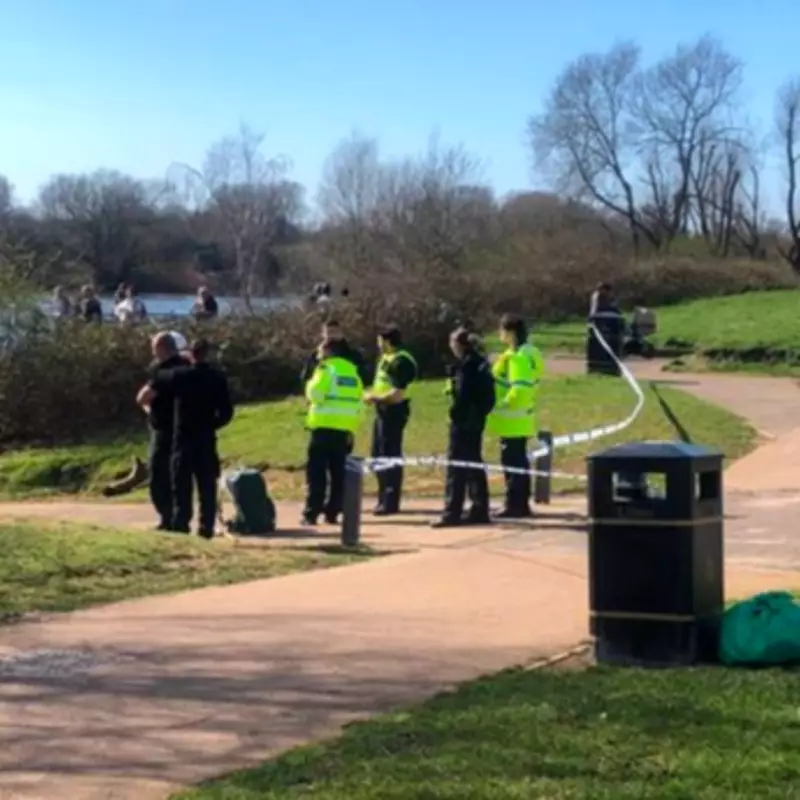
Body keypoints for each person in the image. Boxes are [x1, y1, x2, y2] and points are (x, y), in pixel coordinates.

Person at [139, 339, 234, 537]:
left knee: (181, 483)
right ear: (208, 354)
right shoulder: (218, 377)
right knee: (207, 484)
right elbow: (227, 412)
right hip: (206, 437)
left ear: (191, 354)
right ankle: (206, 525)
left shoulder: (179, 376)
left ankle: (181, 523)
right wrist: (213, 424)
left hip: (183, 437)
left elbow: (150, 390)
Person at [432, 328, 496, 528]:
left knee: (456, 468)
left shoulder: (466, 367)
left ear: (458, 344)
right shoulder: (482, 364)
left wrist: (455, 415)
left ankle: (452, 512)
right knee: (474, 464)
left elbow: (462, 396)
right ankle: (480, 508)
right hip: (477, 421)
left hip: (464, 422)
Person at [302, 338, 365, 526]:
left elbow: (315, 394)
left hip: (323, 427)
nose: (318, 355)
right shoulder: (353, 373)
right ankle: (333, 512)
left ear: (329, 352)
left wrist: (309, 386)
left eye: (320, 351)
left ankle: (311, 513)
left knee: (316, 473)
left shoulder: (325, 369)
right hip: (345, 429)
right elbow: (359, 402)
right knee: (339, 474)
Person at [487, 313, 544, 519]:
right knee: (517, 461)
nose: (500, 334)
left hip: (512, 419)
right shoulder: (526, 354)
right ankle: (519, 503)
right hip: (519, 420)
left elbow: (520, 390)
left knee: (513, 463)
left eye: (502, 330)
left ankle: (515, 505)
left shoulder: (518, 357)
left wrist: (500, 405)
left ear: (510, 333)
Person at [135, 332, 191, 531]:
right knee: (181, 475)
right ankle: (182, 518)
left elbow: (142, 398)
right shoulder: (188, 366)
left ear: (159, 348)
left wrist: (150, 411)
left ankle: (166, 517)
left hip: (163, 429)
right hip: (186, 428)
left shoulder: (163, 371)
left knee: (159, 475)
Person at [364, 325, 417, 515]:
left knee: (389, 455)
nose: (378, 345)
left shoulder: (401, 361)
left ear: (386, 341)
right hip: (382, 411)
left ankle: (391, 500)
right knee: (377, 454)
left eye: (379, 341)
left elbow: (397, 394)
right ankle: (382, 497)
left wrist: (375, 398)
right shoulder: (386, 358)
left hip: (394, 411)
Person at [300, 319, 368, 385]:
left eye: (335, 332)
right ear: (323, 335)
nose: (332, 336)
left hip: (347, 392)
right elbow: (306, 379)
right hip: (323, 393)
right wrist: (319, 361)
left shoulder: (353, 354)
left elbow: (364, 377)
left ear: (341, 334)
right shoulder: (315, 355)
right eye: (329, 332)